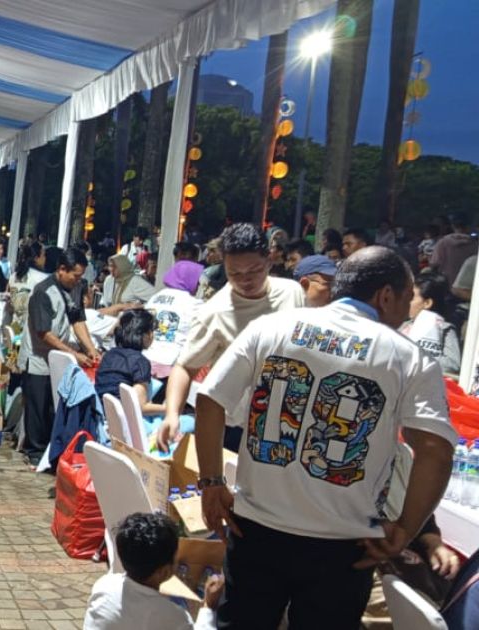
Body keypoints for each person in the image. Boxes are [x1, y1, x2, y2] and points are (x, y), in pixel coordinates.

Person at [194, 245, 456, 629]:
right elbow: (434, 450)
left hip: (256, 529)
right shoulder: (408, 358)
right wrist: (405, 529)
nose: (408, 309)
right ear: (386, 295)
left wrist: (212, 481)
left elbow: (210, 401)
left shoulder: (271, 327)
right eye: (406, 296)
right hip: (342, 545)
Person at [154, 223, 305, 452]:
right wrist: (172, 414)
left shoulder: (291, 292)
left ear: (269, 259)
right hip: (239, 427)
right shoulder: (215, 311)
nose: (245, 280)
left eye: (254, 270)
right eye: (234, 273)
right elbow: (185, 367)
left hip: (289, 422)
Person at [18, 247, 94, 465]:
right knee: (38, 407)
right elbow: (44, 333)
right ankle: (34, 452)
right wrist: (74, 353)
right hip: (39, 357)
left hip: (60, 357)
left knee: (54, 406)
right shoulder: (43, 291)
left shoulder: (76, 288)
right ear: (62, 270)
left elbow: (77, 319)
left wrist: (89, 347)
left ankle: (52, 450)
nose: (77, 280)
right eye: (75, 275)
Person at [83, 512, 220, 630]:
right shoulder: (170, 615)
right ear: (164, 571)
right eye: (175, 558)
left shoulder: (104, 585)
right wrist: (208, 605)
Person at [94, 309, 180, 443]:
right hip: (124, 424)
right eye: (151, 331)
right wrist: (169, 409)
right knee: (189, 421)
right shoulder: (140, 362)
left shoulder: (109, 355)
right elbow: (140, 407)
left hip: (101, 418)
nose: (152, 335)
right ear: (143, 335)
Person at [142, 256, 204, 377]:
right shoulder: (195, 304)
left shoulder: (156, 297)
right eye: (197, 281)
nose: (198, 285)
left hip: (145, 356)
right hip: (170, 362)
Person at [400, 272, 462, 374]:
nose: (406, 301)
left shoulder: (444, 329)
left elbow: (452, 365)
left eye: (412, 298)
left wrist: (417, 358)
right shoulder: (403, 325)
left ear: (427, 303)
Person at [431, 213, 478, 286]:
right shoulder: (475, 244)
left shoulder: (443, 243)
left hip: (447, 288)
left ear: (453, 226)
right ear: (469, 226)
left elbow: (434, 265)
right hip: (468, 289)